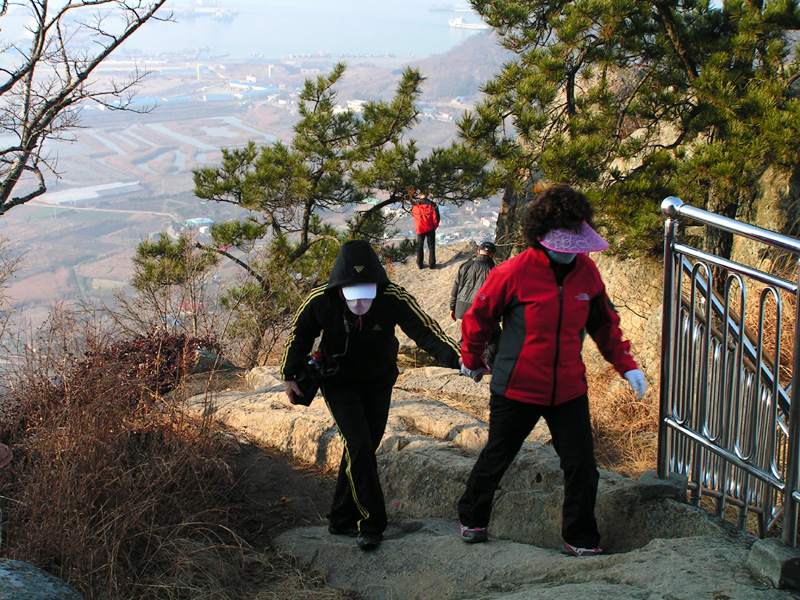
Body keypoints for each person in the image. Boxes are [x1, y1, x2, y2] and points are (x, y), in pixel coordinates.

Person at [456, 184, 647, 556]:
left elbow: (605, 324)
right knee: (497, 456)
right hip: (517, 387)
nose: (567, 252)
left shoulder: (587, 274)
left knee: (582, 467)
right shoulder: (512, 272)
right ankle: (472, 516)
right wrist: (471, 358)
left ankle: (579, 537)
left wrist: (626, 365)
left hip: (569, 390)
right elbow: (478, 316)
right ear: (541, 237)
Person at [280, 239, 461, 550]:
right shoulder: (321, 299)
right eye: (354, 298)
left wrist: (458, 359)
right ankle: (372, 524)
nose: (361, 304)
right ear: (340, 289)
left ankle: (339, 518)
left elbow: (425, 330)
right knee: (361, 446)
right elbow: (300, 333)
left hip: (378, 381)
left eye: (367, 297)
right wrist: (288, 375)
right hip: (339, 381)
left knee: (361, 448)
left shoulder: (392, 296)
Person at [449, 240, 500, 366]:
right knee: (494, 336)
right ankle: (486, 365)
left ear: (478, 252)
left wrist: (452, 307)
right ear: (493, 255)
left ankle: (462, 362)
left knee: (467, 336)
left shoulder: (465, 266)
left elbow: (456, 287)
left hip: (462, 309)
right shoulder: (494, 271)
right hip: (480, 310)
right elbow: (496, 296)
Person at [411, 192, 440, 269]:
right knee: (431, 246)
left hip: (419, 228)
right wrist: (434, 227)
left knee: (420, 246)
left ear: (420, 195)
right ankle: (432, 264)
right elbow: (436, 218)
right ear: (427, 195)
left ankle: (420, 264)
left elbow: (413, 214)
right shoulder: (432, 204)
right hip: (430, 227)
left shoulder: (415, 205)